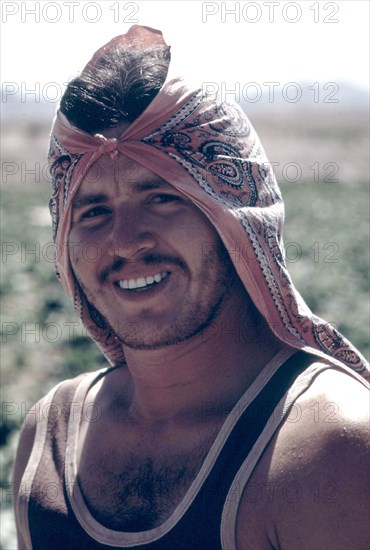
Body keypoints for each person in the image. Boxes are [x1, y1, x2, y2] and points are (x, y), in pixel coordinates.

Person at [13, 25, 369, 550]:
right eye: (93, 210)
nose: (125, 242)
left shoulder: (329, 453)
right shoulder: (50, 439)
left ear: (237, 217)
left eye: (160, 198)